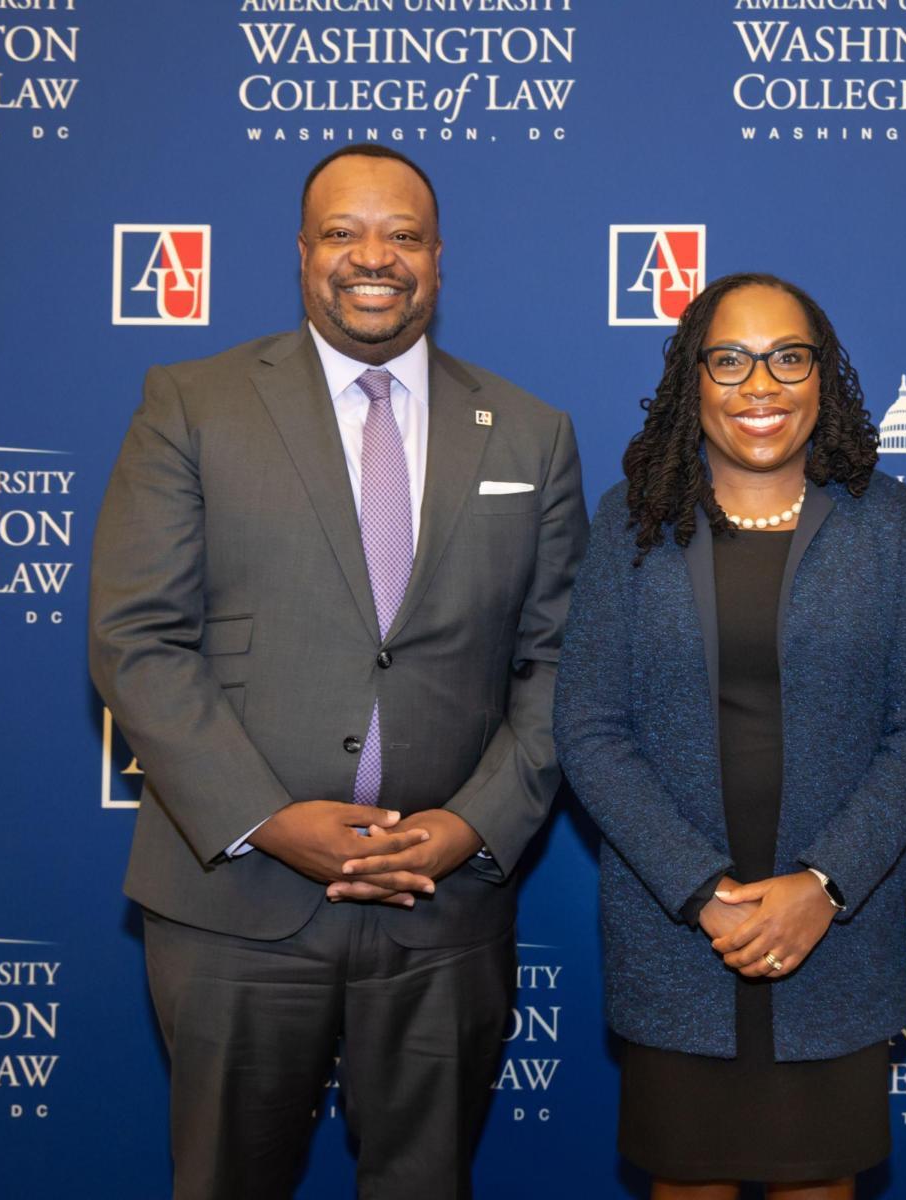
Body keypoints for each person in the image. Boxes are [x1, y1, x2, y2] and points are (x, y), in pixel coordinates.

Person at [87, 142, 588, 1200]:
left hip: (441, 907)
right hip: (236, 898)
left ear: (439, 260)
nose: (375, 257)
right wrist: (268, 819)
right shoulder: (192, 402)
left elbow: (559, 665)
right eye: (344, 233)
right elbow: (137, 637)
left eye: (403, 235)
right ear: (303, 252)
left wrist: (468, 826)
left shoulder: (533, 436)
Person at [555, 273, 906, 1200]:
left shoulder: (889, 524)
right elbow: (588, 726)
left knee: (816, 1183)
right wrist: (702, 892)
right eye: (730, 360)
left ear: (823, 377)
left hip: (834, 936)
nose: (760, 385)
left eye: (788, 357)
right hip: (678, 932)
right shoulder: (632, 520)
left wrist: (825, 885)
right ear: (692, 377)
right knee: (687, 1181)